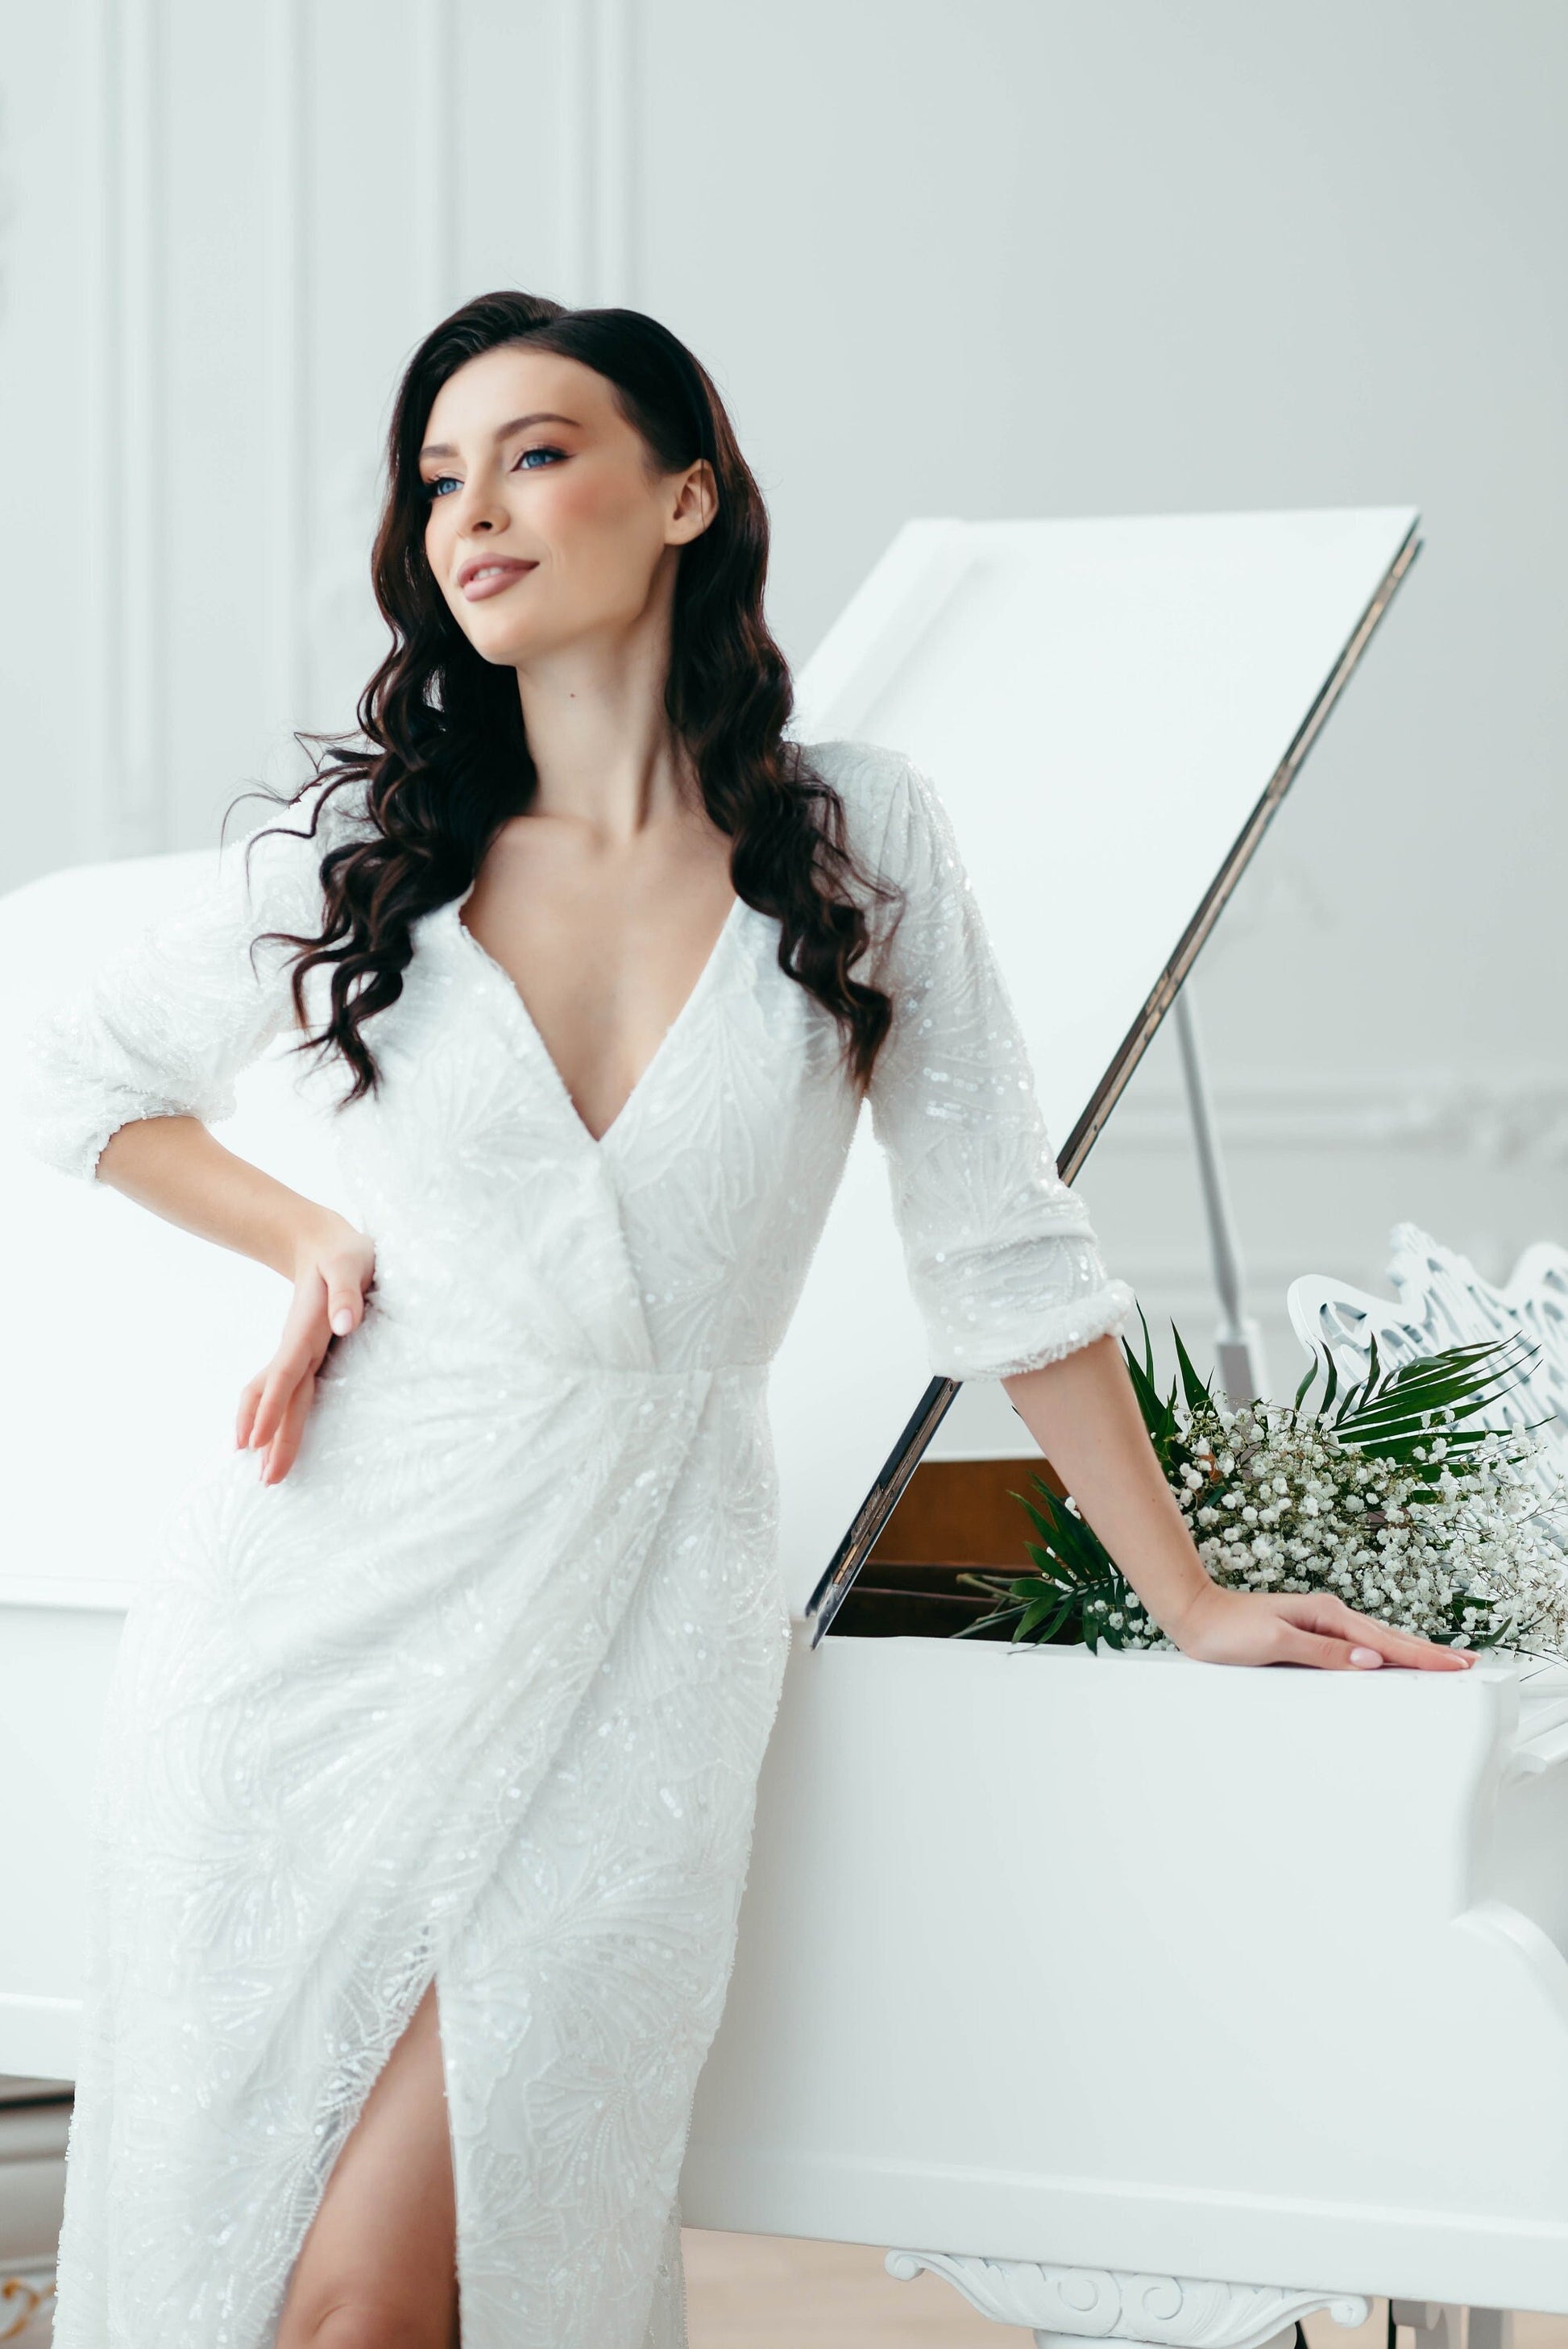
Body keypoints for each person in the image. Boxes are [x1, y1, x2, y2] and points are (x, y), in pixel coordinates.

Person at [18, 291, 1471, 2349]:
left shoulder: (855, 840)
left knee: (411, 2280)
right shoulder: (358, 854)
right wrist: (301, 1237)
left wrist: (1190, 1595)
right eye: (439, 476)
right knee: (242, 2271)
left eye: (532, 453)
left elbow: (1002, 1247)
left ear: (685, 492)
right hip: (311, 1618)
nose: (471, 513)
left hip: (647, 1612)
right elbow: (59, 1067)